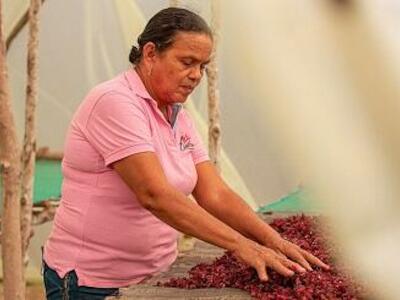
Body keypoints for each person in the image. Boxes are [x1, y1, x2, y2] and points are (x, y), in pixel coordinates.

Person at [42, 7, 329, 299]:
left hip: (154, 276)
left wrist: (273, 240)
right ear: (151, 53)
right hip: (92, 282)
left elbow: (214, 193)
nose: (196, 76)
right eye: (187, 62)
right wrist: (241, 245)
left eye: (202, 66)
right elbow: (155, 195)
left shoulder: (178, 115)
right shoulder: (114, 102)